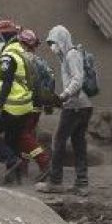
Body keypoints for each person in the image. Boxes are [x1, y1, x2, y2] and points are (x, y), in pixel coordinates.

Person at [36, 25, 93, 196]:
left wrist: (64, 95)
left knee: (58, 141)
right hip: (83, 105)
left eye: (54, 42)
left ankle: (55, 181)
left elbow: (77, 79)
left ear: (62, 40)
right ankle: (82, 183)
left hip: (74, 105)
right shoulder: (69, 55)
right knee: (78, 143)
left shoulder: (71, 55)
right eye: (50, 43)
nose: (52, 46)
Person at [0, 19, 35, 184]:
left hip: (11, 106)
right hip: (24, 106)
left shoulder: (8, 56)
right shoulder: (22, 53)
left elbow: (7, 82)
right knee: (12, 139)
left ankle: (11, 160)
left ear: (5, 38)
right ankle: (14, 176)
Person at [13, 28, 53, 181]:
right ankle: (23, 167)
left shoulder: (22, 60)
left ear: (22, 43)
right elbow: (50, 80)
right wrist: (47, 101)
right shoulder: (40, 61)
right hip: (37, 105)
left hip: (25, 104)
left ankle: (44, 161)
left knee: (23, 136)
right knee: (28, 136)